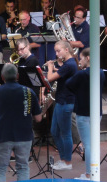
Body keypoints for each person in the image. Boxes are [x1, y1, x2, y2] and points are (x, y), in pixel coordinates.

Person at [0, 63, 42, 182]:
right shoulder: (28, 92)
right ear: (17, 76)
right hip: (24, 135)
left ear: (2, 77)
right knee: (23, 167)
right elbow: (38, 118)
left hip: (3, 135)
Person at [66, 48, 105, 180]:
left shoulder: (81, 74)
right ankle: (94, 171)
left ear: (88, 58)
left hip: (83, 112)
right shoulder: (100, 72)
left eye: (81, 58)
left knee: (87, 144)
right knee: (94, 143)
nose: (79, 61)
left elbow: (68, 84)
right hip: (96, 112)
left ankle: (89, 174)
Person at [46, 40, 78, 170]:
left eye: (58, 51)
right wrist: (55, 68)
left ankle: (67, 162)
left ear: (66, 50)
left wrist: (49, 68)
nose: (56, 53)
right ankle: (63, 159)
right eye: (55, 51)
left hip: (66, 102)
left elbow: (49, 78)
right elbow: (62, 72)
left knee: (65, 133)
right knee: (54, 131)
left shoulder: (69, 64)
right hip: (61, 100)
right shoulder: (67, 64)